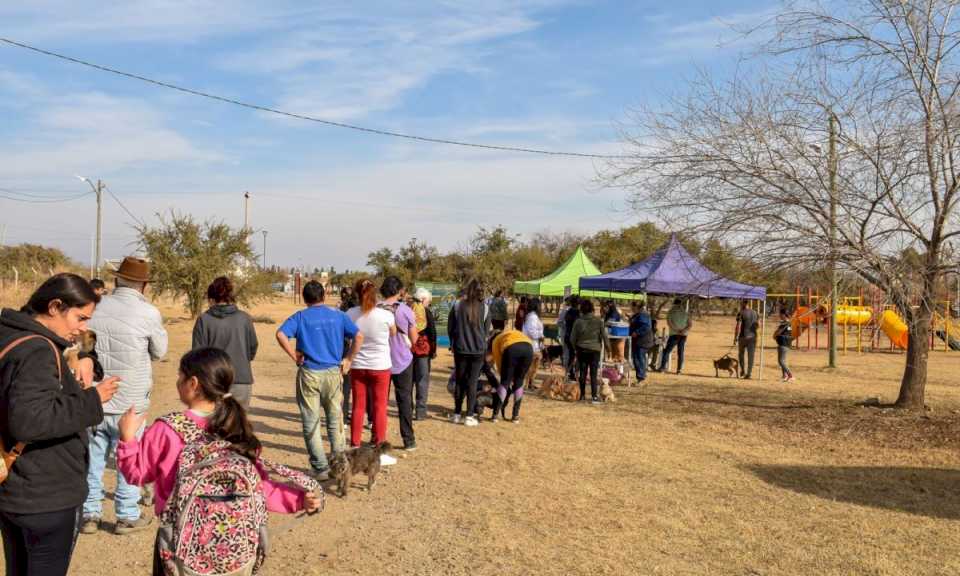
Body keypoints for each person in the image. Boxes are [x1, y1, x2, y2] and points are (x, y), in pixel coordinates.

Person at [115, 348, 321, 576]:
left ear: (193, 383)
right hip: (233, 546)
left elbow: (136, 474)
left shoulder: (167, 429)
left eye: (179, 376)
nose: (177, 381)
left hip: (179, 543)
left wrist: (127, 438)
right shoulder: (237, 428)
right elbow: (260, 487)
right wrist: (300, 500)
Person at [0, 274, 120, 576]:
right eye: (80, 318)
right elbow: (30, 420)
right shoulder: (38, 351)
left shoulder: (10, 335)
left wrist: (82, 358)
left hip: (16, 489)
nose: (83, 328)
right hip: (42, 495)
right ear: (55, 306)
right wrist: (92, 400)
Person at [84, 256, 168, 536]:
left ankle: (89, 513)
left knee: (94, 457)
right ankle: (126, 514)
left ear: (117, 279)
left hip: (97, 396)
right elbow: (160, 351)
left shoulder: (95, 307)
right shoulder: (149, 313)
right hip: (131, 400)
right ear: (144, 285)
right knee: (129, 457)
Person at [276, 281, 359, 479]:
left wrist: (293, 355)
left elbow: (280, 334)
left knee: (310, 421)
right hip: (332, 373)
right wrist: (348, 360)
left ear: (305, 299)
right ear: (323, 296)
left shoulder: (300, 317)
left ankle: (320, 467)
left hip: (309, 373)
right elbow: (359, 336)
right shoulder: (338, 315)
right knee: (334, 419)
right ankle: (340, 464)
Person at [345, 279, 397, 465]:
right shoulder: (385, 315)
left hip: (358, 365)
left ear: (357, 294)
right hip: (381, 366)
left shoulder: (350, 314)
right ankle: (379, 447)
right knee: (380, 407)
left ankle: (354, 445)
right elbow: (393, 333)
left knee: (358, 406)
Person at [191, 276, 259, 407]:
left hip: (213, 382)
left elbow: (196, 355)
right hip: (241, 381)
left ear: (211, 299)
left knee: (213, 425)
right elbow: (252, 348)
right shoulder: (245, 318)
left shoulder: (203, 320)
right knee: (238, 426)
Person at [379, 276, 419, 451]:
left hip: (380, 361)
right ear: (399, 291)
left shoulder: (374, 309)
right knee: (404, 400)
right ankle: (408, 439)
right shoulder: (405, 310)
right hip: (403, 360)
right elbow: (414, 337)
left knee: (380, 402)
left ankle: (378, 437)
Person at [448, 279, 492, 427]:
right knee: (472, 383)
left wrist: (453, 343)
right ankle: (469, 416)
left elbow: (450, 328)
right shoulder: (485, 308)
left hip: (460, 349)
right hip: (478, 351)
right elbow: (486, 332)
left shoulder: (457, 306)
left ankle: (456, 414)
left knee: (460, 381)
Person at [487, 329, 534, 422]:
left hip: (512, 348)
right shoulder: (511, 332)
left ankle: (495, 415)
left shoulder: (496, 341)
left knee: (505, 382)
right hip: (529, 348)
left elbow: (499, 363)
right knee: (519, 381)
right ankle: (515, 416)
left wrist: (506, 377)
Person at [570, 299, 609, 404]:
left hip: (581, 350)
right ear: (592, 309)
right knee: (593, 373)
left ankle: (582, 395)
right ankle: (594, 397)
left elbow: (572, 338)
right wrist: (608, 349)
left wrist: (575, 348)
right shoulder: (599, 321)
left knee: (582, 372)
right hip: (595, 350)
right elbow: (605, 337)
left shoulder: (578, 321)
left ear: (582, 310)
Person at [411, 287, 437, 421]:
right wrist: (433, 351)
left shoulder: (408, 310)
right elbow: (432, 333)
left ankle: (407, 409)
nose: (429, 303)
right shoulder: (426, 312)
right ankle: (420, 412)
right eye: (428, 300)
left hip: (408, 350)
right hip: (422, 351)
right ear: (422, 299)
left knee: (409, 381)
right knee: (422, 380)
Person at [657, 298, 692, 374]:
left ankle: (662, 368)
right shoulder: (685, 313)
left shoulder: (671, 312)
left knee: (667, 351)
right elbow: (690, 324)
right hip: (683, 335)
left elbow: (669, 323)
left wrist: (676, 330)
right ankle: (679, 370)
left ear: (674, 304)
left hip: (674, 334)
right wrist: (683, 330)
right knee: (680, 352)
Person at [521, 297, 544, 388]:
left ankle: (530, 383)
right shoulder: (533, 317)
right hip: (532, 346)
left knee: (533, 367)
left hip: (533, 345)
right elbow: (532, 332)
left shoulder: (531, 316)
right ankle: (527, 384)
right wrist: (540, 336)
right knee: (531, 367)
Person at [629, 301, 654, 382]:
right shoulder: (638, 314)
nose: (631, 309)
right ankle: (641, 377)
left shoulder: (643, 315)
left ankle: (641, 377)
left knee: (639, 359)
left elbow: (646, 327)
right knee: (637, 358)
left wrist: (637, 332)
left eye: (633, 307)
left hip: (643, 341)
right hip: (638, 341)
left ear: (637, 307)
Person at [734, 300, 759, 379]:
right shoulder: (755, 313)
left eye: (741, 303)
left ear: (744, 303)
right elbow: (759, 325)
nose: (740, 305)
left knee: (741, 354)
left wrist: (735, 337)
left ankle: (743, 370)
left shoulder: (741, 313)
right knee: (751, 356)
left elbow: (738, 326)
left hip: (743, 337)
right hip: (753, 337)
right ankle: (749, 373)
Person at [774, 308, 796, 382]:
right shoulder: (787, 323)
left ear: (783, 314)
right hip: (784, 344)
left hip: (783, 344)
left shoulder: (785, 324)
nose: (779, 315)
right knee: (782, 361)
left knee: (781, 361)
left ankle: (790, 375)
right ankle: (784, 376)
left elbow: (778, 332)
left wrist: (775, 335)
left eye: (780, 314)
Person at [562, 295, 581, 380]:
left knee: (571, 356)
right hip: (574, 338)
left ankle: (570, 373)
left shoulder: (568, 311)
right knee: (575, 356)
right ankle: (573, 374)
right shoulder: (577, 313)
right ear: (578, 304)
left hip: (567, 336)